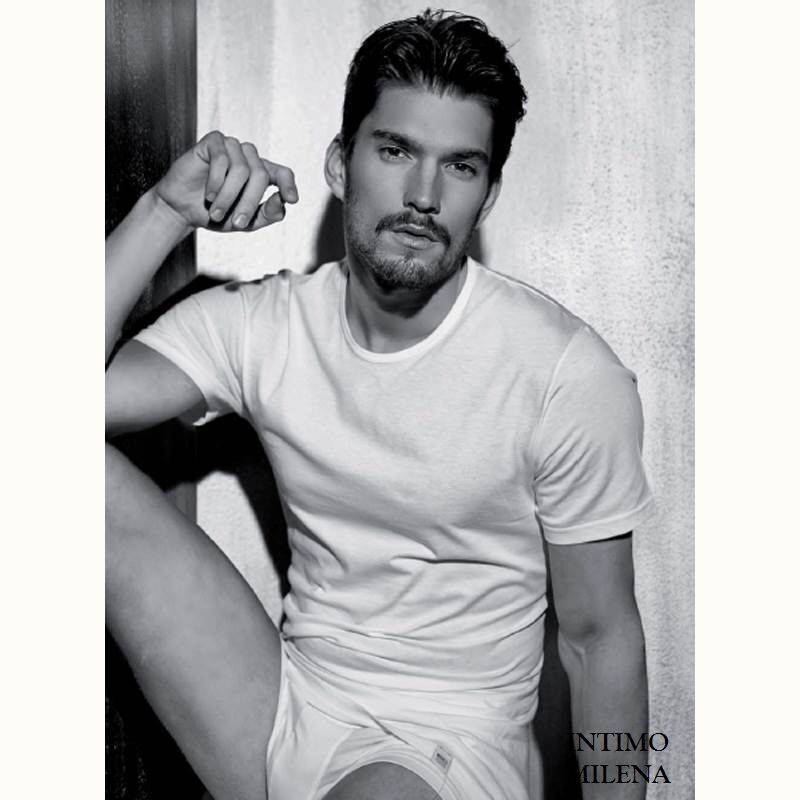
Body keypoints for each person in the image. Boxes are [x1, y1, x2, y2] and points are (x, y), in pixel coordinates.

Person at [106, 9, 654, 800]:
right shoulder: (266, 325)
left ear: (488, 196)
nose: (424, 196)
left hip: (451, 746)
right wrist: (163, 210)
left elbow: (600, 639)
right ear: (340, 164)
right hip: (285, 705)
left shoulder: (564, 374)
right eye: (395, 151)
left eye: (460, 166)